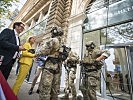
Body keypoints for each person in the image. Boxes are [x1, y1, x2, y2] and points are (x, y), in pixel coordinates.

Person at [37, 26, 69, 100]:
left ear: (54, 32)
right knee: (55, 89)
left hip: (49, 67)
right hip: (58, 67)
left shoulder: (53, 40)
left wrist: (36, 53)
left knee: (45, 89)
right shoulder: (62, 42)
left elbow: (43, 51)